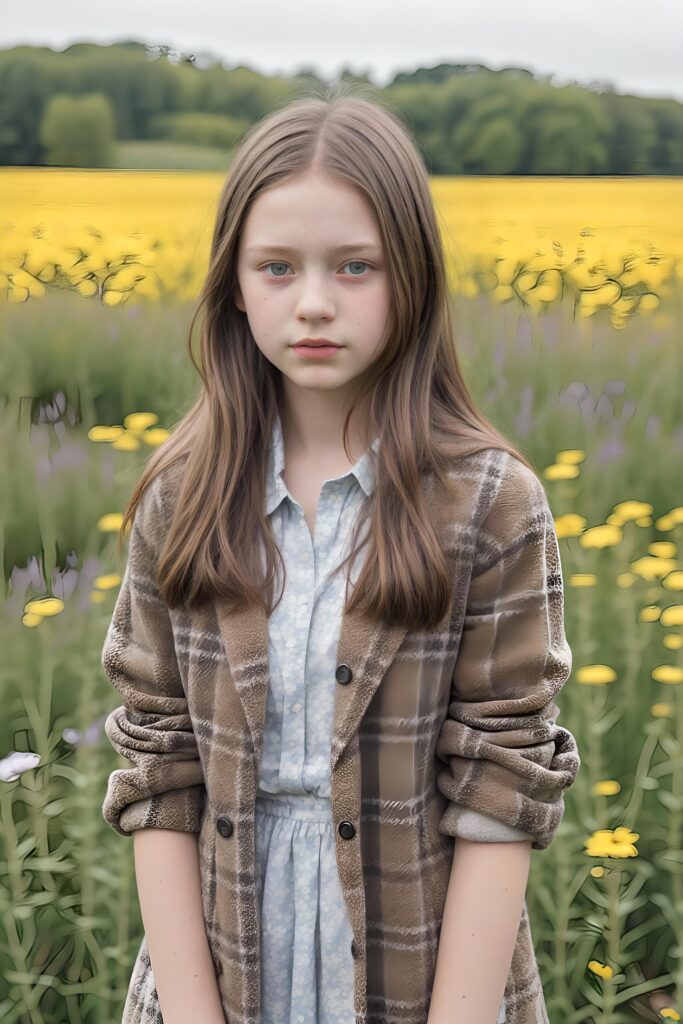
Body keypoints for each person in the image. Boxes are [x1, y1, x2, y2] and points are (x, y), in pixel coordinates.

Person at [101, 83, 581, 1024]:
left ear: (412, 276)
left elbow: (501, 786)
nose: (313, 303)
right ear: (232, 286)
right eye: (276, 267)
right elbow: (159, 770)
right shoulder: (180, 498)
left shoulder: (491, 505)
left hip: (428, 978)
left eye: (354, 267)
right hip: (219, 971)